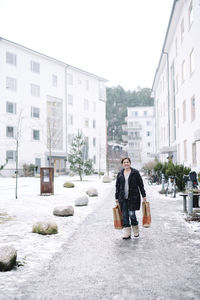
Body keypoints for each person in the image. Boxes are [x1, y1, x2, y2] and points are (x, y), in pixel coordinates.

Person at [115, 157, 146, 239]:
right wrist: (116, 198)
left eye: (127, 162)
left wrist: (144, 196)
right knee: (125, 215)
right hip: (123, 198)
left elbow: (141, 185)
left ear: (130, 163)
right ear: (122, 164)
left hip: (133, 197)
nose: (126, 164)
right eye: (124, 162)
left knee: (132, 214)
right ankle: (127, 233)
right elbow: (117, 187)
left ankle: (136, 230)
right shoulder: (120, 174)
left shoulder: (135, 173)